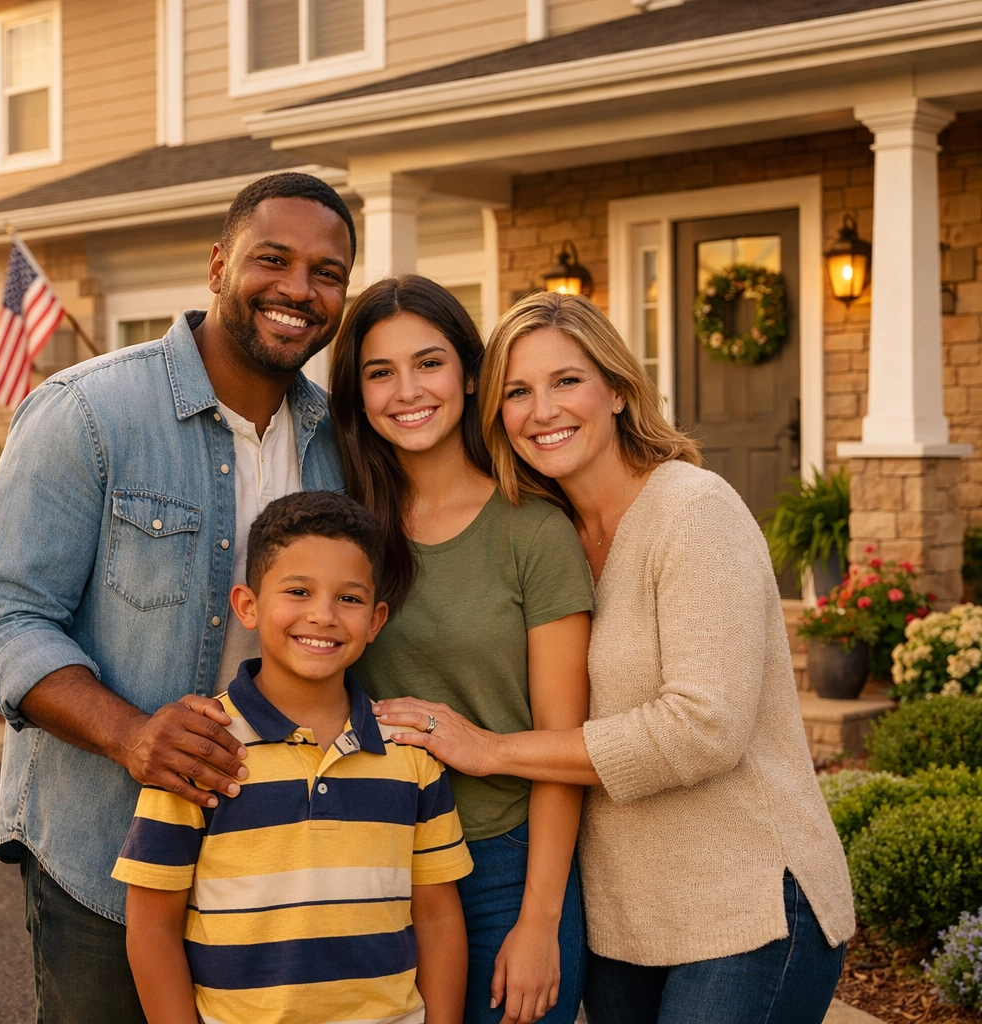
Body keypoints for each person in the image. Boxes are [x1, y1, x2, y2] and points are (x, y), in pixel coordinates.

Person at [373, 292, 857, 1024]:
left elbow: (704, 728)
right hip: (624, 922)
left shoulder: (693, 510)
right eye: (518, 392)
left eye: (566, 381)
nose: (542, 411)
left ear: (620, 390)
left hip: (748, 905)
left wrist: (495, 749)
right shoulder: (552, 529)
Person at [0, 172, 354, 1023]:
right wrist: (132, 734)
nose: (299, 289)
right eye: (274, 259)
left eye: (327, 272)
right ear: (219, 264)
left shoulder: (342, 444)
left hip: (280, 854)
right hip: (103, 848)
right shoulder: (88, 411)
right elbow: (5, 620)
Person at [328, 276, 593, 1024]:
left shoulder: (533, 530)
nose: (407, 391)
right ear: (357, 393)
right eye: (380, 372)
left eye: (429, 363)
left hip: (501, 869)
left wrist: (539, 921)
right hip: (367, 861)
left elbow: (563, 747)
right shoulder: (345, 530)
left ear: (471, 374)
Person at [113, 490, 473, 1024]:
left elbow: (439, 916)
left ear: (376, 620)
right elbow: (151, 927)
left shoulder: (407, 751)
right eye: (298, 591)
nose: (323, 616)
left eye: (349, 599)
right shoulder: (201, 745)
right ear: (248, 605)